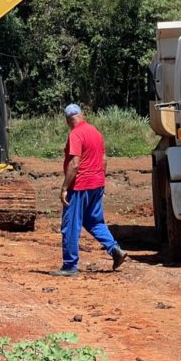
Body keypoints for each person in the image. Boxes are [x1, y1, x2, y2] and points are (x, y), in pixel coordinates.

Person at [49, 103, 127, 276]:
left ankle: (70, 266)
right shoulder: (95, 132)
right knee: (94, 221)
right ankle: (115, 249)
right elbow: (104, 159)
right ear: (81, 115)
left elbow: (75, 163)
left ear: (68, 119)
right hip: (97, 184)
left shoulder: (75, 134)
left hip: (80, 186)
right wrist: (100, 179)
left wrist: (64, 188)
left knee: (70, 225)